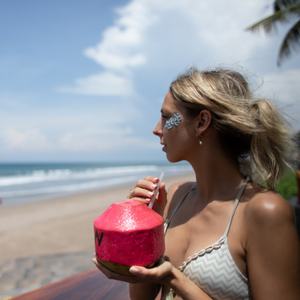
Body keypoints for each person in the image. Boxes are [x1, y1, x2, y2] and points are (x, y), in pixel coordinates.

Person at [93, 67, 300, 300]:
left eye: (166, 117)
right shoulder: (176, 196)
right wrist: (141, 231)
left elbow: (169, 281)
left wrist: (173, 279)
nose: (156, 129)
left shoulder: (264, 212)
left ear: (202, 122)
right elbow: (143, 297)